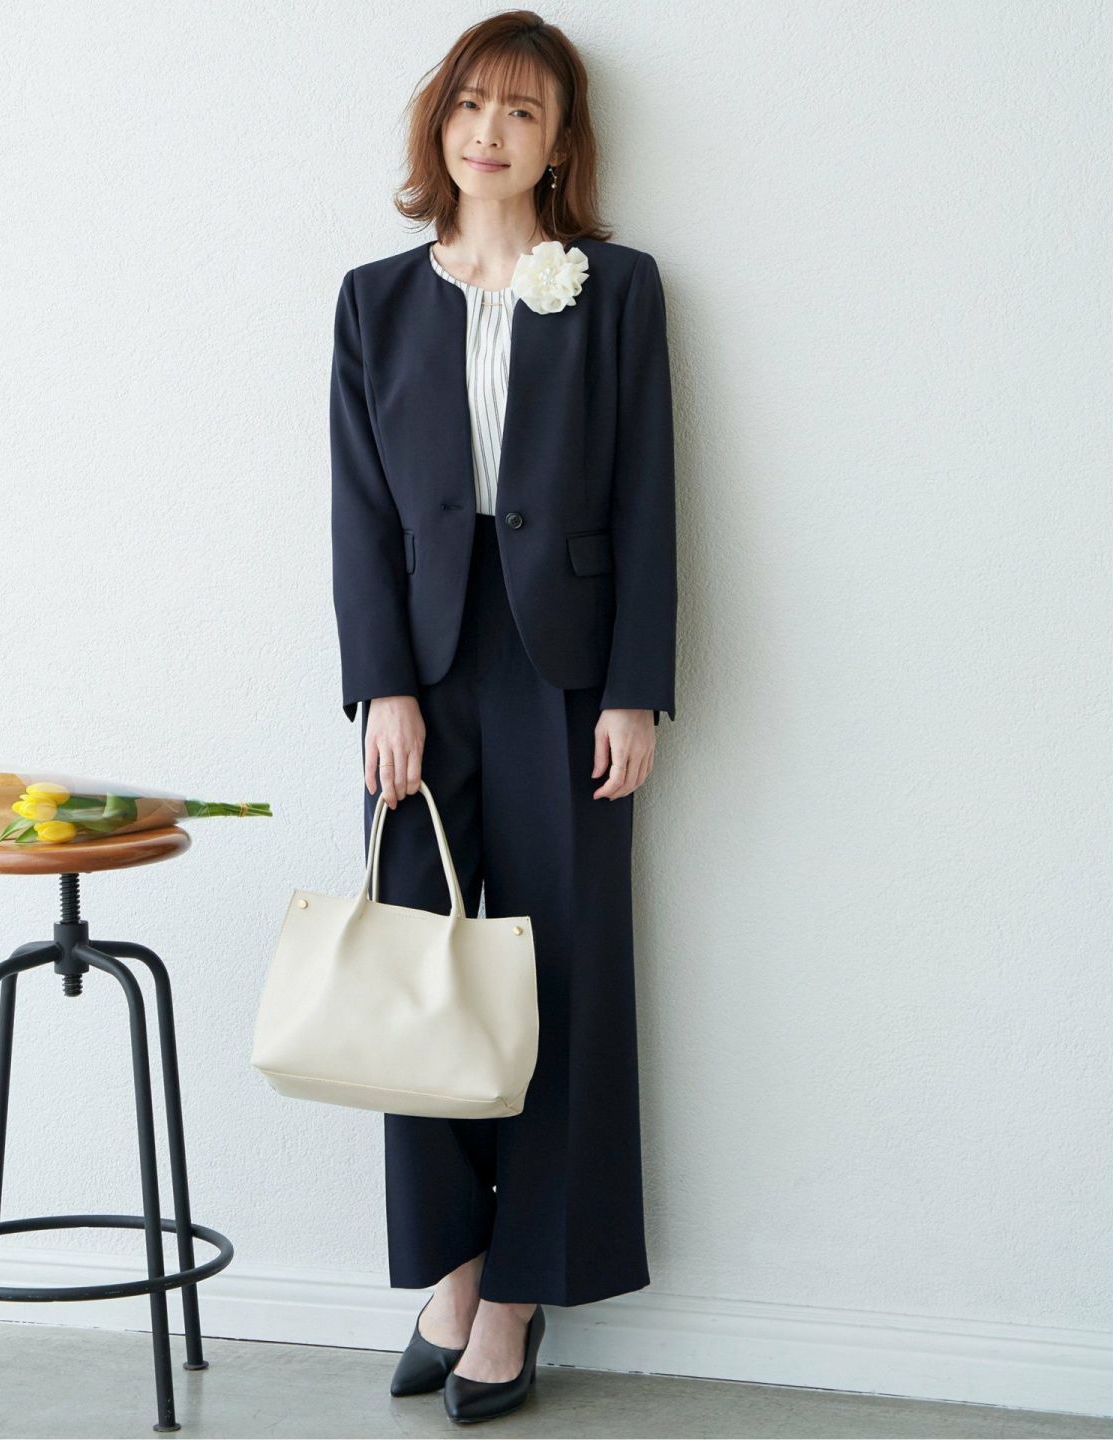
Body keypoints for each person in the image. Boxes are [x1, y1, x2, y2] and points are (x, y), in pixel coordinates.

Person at [329, 10, 677, 1424]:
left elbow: (648, 494)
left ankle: (521, 1298)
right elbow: (357, 513)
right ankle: (453, 1270)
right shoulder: (372, 300)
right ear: (441, 122)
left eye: (523, 112)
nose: (490, 131)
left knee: (560, 975)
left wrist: (637, 688)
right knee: (413, 969)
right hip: (421, 669)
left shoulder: (617, 289)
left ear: (559, 142)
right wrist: (380, 687)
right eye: (472, 104)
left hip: (568, 669)